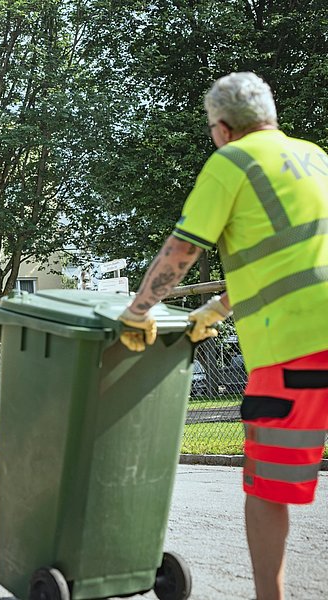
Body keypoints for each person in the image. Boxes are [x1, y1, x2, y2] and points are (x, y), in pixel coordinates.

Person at [118, 72, 328, 600]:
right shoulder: (313, 157)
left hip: (296, 353)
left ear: (222, 127)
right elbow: (294, 255)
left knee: (267, 491)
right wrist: (218, 306)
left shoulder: (231, 161)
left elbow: (183, 250)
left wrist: (140, 310)